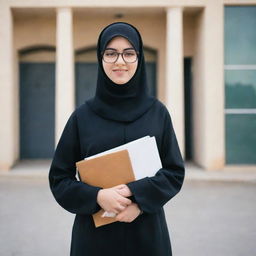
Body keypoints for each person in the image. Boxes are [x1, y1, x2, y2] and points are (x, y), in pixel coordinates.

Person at [49, 22, 185, 256]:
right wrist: (97, 196)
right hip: (94, 239)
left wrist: (139, 204)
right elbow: (59, 178)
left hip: (147, 237)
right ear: (100, 59)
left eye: (129, 53)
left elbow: (174, 173)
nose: (120, 61)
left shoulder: (157, 113)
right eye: (110, 53)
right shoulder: (82, 117)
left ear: (139, 59)